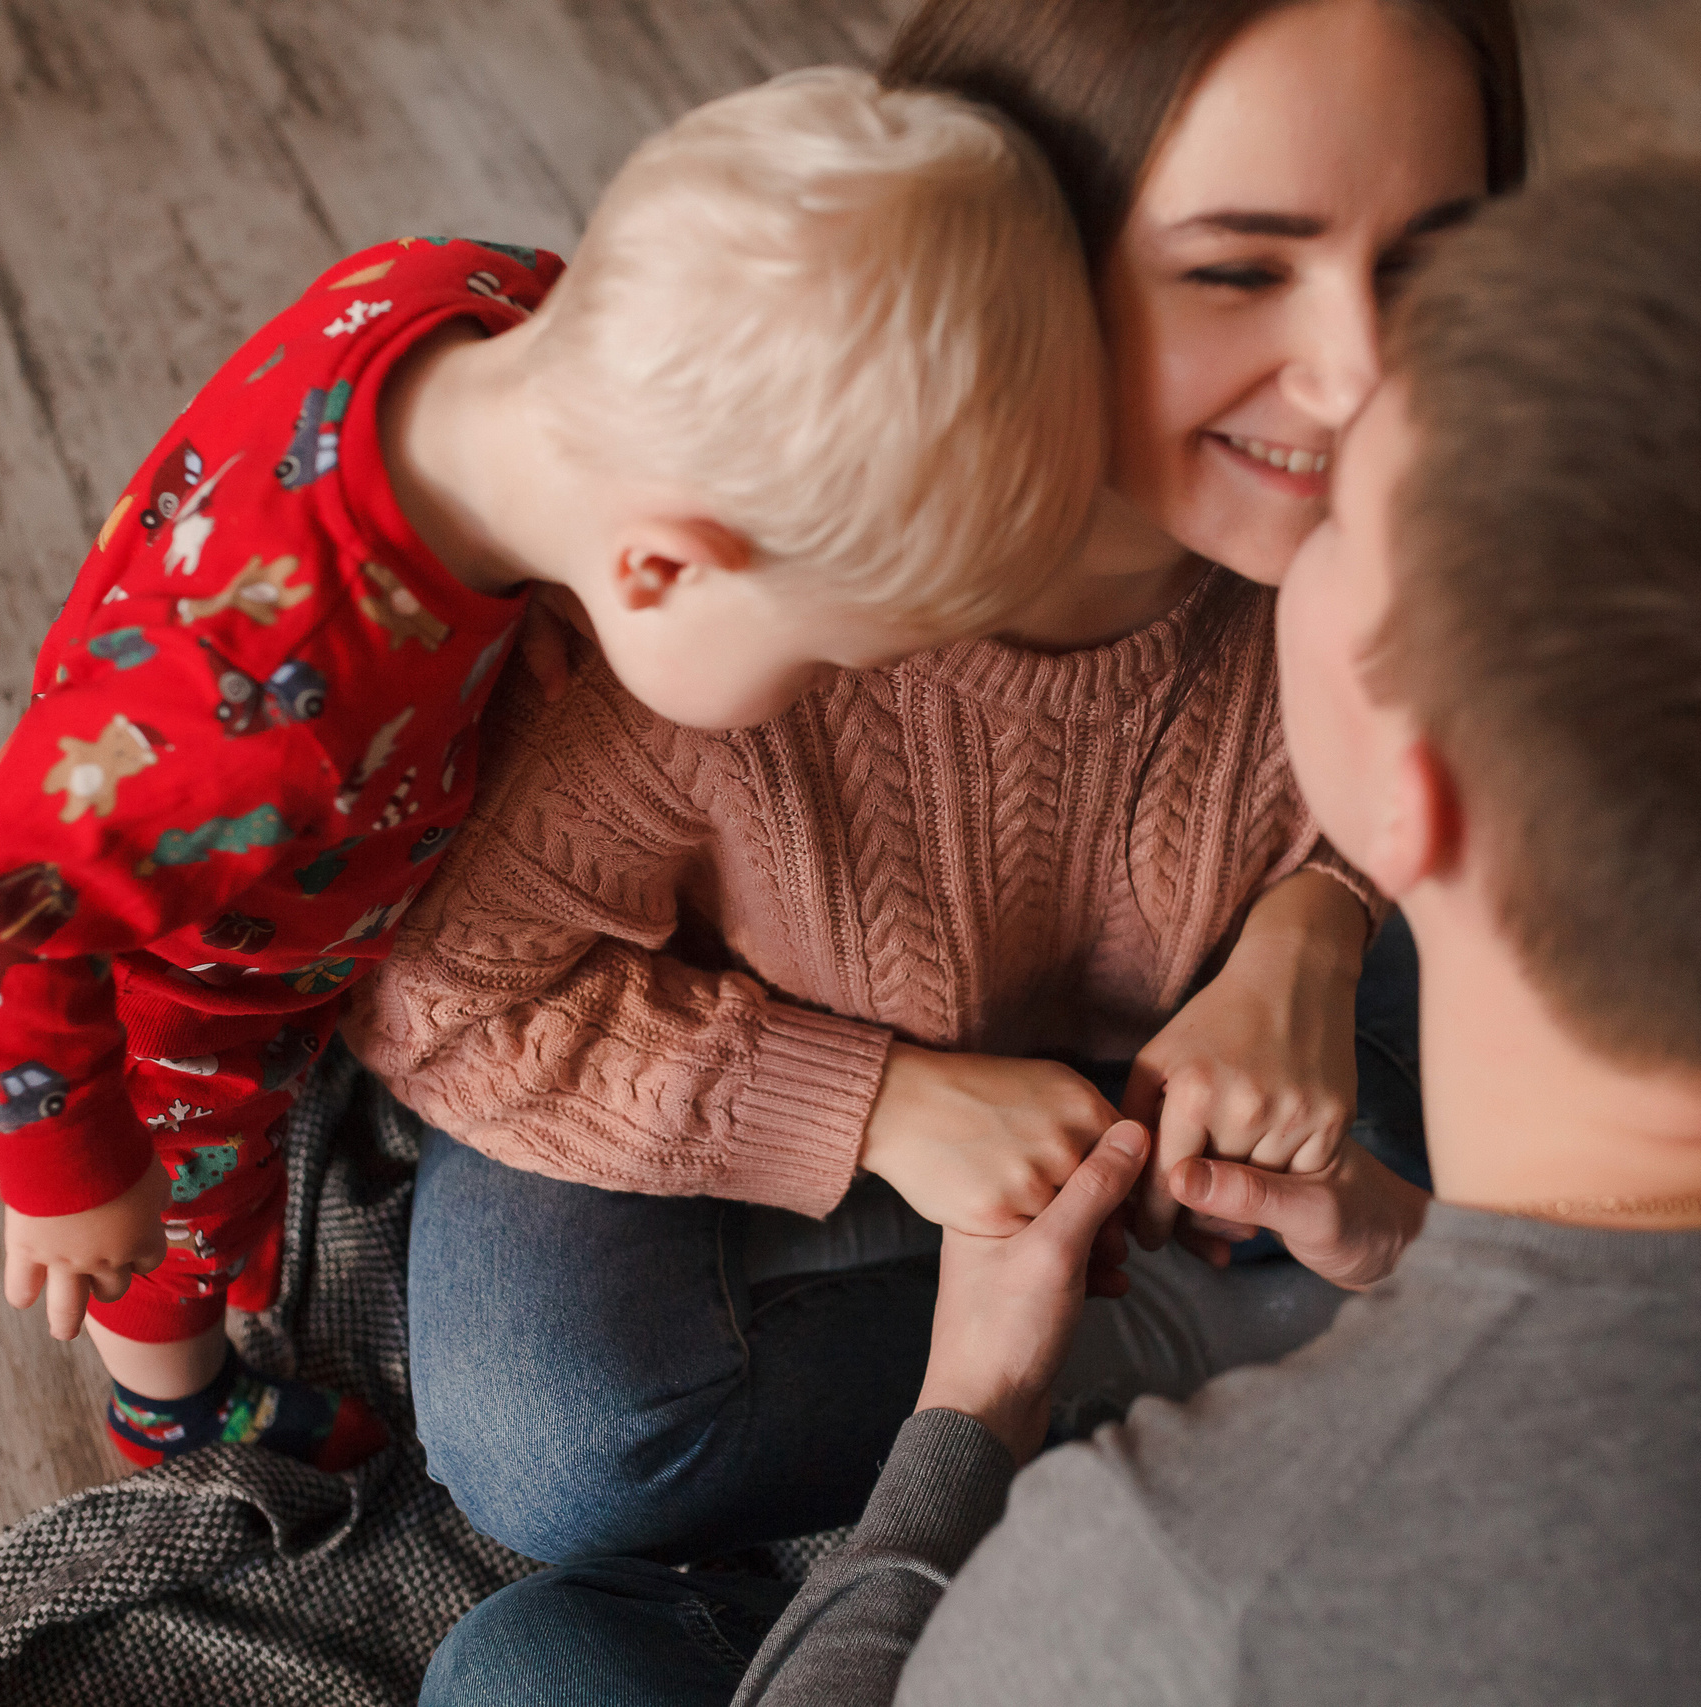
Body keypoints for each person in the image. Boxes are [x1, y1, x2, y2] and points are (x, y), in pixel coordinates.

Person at [425, 160, 1701, 1704]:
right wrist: (1402, 1254)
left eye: (1352, 521)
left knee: (524, 1662)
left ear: (1409, 795)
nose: (1320, 404)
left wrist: (970, 1418)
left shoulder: (1186, 1580)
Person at [351, 0, 1525, 1560]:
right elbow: (440, 998)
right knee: (558, 1436)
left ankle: (1185, 1322)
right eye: (1239, 271)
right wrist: (878, 1105)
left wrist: (1312, 924)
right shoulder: (729, 616)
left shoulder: (1416, 475)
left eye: (1424, 265)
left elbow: (1475, 710)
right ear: (1018, 254)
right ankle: (1177, 1347)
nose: (1358, 375)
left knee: (1603, 1061)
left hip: (1174, 1032)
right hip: (734, 1020)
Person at [0, 67, 1106, 1470]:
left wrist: (536, 588)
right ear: (657, 568)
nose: (828, 697)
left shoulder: (473, 297)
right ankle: (173, 1404)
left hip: (264, 809)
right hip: (199, 975)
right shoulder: (268, 715)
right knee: (188, 1209)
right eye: (824, 661)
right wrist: (70, 1178)